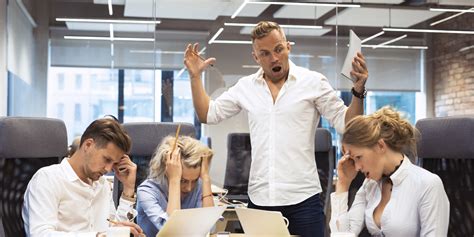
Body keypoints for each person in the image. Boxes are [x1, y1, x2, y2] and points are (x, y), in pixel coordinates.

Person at [184, 21, 368, 237]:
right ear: (256, 57)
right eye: (265, 53)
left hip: (303, 201)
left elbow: (348, 124)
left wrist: (357, 91)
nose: (274, 58)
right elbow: (208, 114)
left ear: (288, 47)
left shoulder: (313, 82)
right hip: (261, 200)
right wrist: (195, 77)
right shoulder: (246, 87)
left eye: (279, 49)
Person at [330, 107, 449, 236]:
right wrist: (343, 183)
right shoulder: (369, 185)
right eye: (353, 160)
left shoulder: (428, 184)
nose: (357, 167)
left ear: (380, 145)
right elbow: (343, 234)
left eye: (358, 157)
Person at [22, 118, 144, 237]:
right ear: (88, 145)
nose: (108, 169)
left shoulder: (102, 184)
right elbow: (40, 234)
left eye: (114, 163)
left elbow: (111, 230)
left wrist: (128, 188)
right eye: (107, 159)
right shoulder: (48, 179)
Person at [136, 135, 214, 237]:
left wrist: (206, 178)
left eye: (194, 180)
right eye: (183, 181)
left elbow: (210, 229)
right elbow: (173, 234)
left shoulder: (198, 185)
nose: (189, 188)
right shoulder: (146, 191)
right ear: (167, 170)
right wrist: (174, 180)